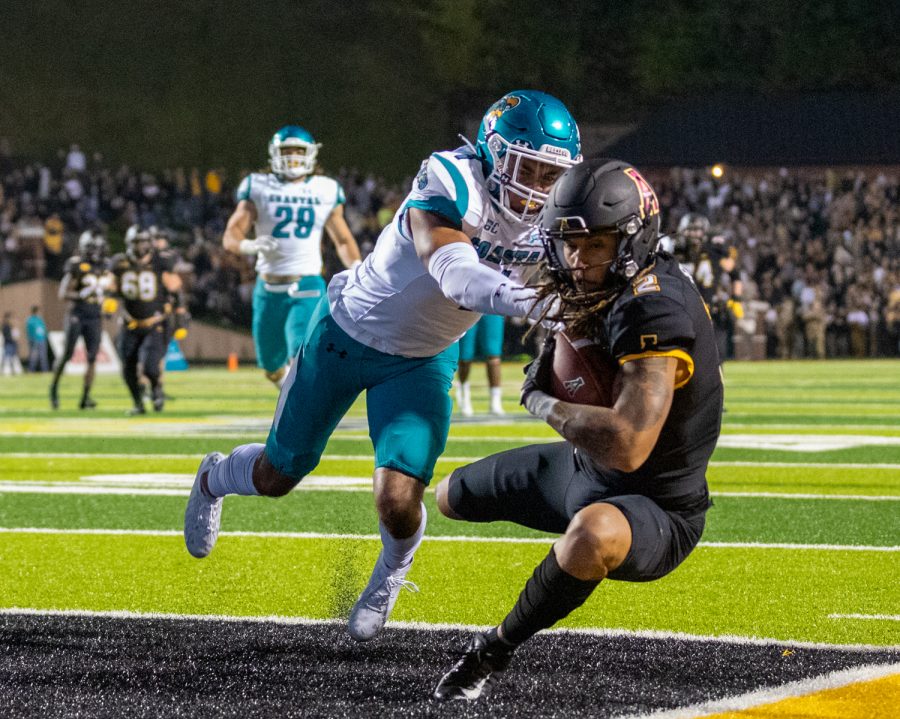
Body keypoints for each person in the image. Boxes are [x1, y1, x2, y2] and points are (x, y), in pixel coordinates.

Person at [184, 90, 582, 642]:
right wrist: (538, 304)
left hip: (421, 360)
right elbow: (454, 272)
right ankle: (214, 477)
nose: (538, 186)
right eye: (528, 168)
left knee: (398, 499)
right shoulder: (451, 178)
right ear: (493, 153)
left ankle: (392, 571)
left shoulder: (561, 216)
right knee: (277, 476)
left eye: (550, 173)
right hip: (346, 333)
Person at [431, 158, 723, 700]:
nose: (577, 260)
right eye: (567, 244)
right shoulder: (605, 280)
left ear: (632, 240)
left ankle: (492, 651)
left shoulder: (653, 309)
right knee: (446, 496)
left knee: (592, 535)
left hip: (654, 504)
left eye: (594, 245)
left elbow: (629, 445)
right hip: (582, 473)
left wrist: (543, 403)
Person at [223, 126, 362, 387]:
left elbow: (342, 239)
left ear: (311, 154)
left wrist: (357, 267)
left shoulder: (325, 189)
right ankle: (290, 394)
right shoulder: (258, 186)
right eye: (287, 151)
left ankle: (304, 405)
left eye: (299, 151)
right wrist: (249, 246)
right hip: (268, 285)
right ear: (274, 154)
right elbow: (231, 235)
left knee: (302, 350)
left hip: (307, 283)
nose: (293, 157)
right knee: (270, 365)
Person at [108, 227, 183, 415]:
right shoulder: (119, 262)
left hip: (154, 323)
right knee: (128, 368)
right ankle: (138, 403)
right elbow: (110, 284)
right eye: (135, 243)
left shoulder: (160, 261)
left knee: (150, 366)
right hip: (129, 323)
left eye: (142, 243)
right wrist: (108, 297)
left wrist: (180, 314)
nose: (139, 247)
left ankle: (156, 388)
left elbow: (175, 287)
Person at [49, 230, 111, 408]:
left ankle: (85, 397)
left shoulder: (104, 267)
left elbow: (110, 290)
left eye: (98, 248)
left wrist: (108, 303)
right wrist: (81, 294)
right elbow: (63, 293)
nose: (96, 252)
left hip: (95, 317)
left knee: (92, 358)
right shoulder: (76, 265)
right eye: (93, 248)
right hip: (77, 315)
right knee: (67, 354)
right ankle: (54, 388)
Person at [672, 213, 743, 361]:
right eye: (690, 230)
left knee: (715, 359)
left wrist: (736, 299)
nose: (693, 234)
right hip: (682, 310)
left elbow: (735, 274)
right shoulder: (675, 252)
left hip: (710, 310)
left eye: (697, 230)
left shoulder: (714, 251)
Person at [455, 314, 506, 416]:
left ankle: (495, 400)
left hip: (491, 308)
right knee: (465, 357)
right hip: (468, 307)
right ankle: (464, 395)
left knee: (493, 354)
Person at [25, 305, 49, 372]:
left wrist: (45, 337)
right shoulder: (30, 320)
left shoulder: (40, 319)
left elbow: (44, 329)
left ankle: (45, 370)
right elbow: (29, 331)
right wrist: (31, 339)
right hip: (34, 340)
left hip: (41, 339)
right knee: (33, 356)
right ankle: (31, 370)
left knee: (43, 356)